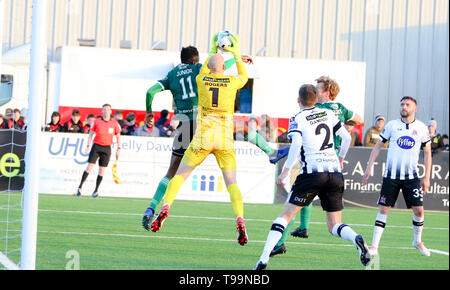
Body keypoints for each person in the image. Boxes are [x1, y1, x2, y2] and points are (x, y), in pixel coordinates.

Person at [141, 41, 277, 229]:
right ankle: (271, 152)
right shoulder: (200, 69)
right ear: (196, 59)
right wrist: (238, 59)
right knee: (243, 129)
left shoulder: (172, 74)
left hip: (184, 126)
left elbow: (150, 91)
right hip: (206, 124)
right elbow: (217, 67)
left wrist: (149, 111)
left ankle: (151, 208)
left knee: (172, 173)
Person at [254, 84, 370, 270]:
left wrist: (285, 170)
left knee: (285, 215)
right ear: (316, 99)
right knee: (334, 226)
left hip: (312, 173)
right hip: (334, 173)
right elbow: (347, 138)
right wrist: (340, 158)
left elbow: (296, 143)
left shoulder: (297, 118)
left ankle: (263, 258)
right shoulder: (329, 114)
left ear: (298, 100)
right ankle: (355, 237)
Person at [150, 34, 250, 246]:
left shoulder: (201, 79)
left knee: (179, 175)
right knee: (232, 182)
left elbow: (206, 67)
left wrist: (214, 49)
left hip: (202, 137)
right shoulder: (233, 82)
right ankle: (240, 218)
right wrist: (236, 55)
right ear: (224, 67)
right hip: (223, 140)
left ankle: (165, 206)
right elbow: (242, 74)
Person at [362, 96, 432, 257]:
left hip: (412, 177)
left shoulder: (421, 128)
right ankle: (374, 246)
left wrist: (427, 177)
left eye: (407, 105)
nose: (404, 107)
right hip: (391, 176)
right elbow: (378, 146)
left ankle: (417, 241)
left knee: (419, 210)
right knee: (384, 208)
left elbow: (427, 152)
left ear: (415, 108)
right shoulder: (392, 126)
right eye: (402, 104)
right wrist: (368, 167)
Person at [76, 104, 122, 198]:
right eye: (104, 109)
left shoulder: (114, 123)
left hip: (107, 148)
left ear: (110, 111)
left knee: (102, 170)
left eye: (108, 109)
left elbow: (118, 136)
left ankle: (96, 190)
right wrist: (88, 145)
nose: (106, 111)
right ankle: (80, 187)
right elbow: (91, 134)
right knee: (89, 167)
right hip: (96, 146)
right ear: (102, 111)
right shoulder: (97, 121)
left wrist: (119, 148)